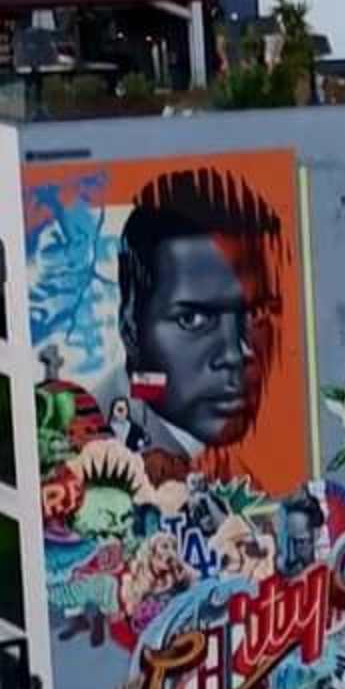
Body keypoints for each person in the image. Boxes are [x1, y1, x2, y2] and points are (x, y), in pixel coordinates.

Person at [94, 167, 284, 466]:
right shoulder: (97, 446)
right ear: (130, 324)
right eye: (193, 319)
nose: (235, 355)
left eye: (255, 313)